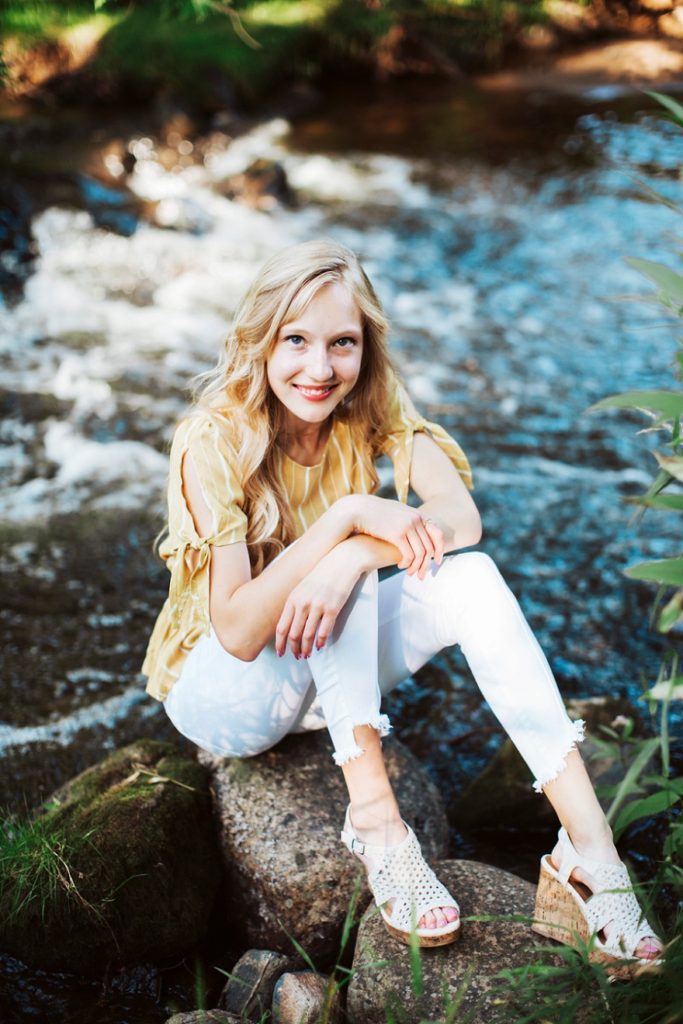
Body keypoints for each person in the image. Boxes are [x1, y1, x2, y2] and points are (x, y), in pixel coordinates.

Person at [142, 238, 662, 964]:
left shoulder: (368, 403)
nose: (318, 368)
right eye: (295, 339)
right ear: (259, 340)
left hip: (320, 660)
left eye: (341, 343)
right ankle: (380, 826)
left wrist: (355, 550)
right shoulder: (212, 438)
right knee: (336, 574)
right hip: (225, 692)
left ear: (364, 347)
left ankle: (589, 852)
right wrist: (343, 522)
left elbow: (464, 521)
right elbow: (233, 628)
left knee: (468, 576)